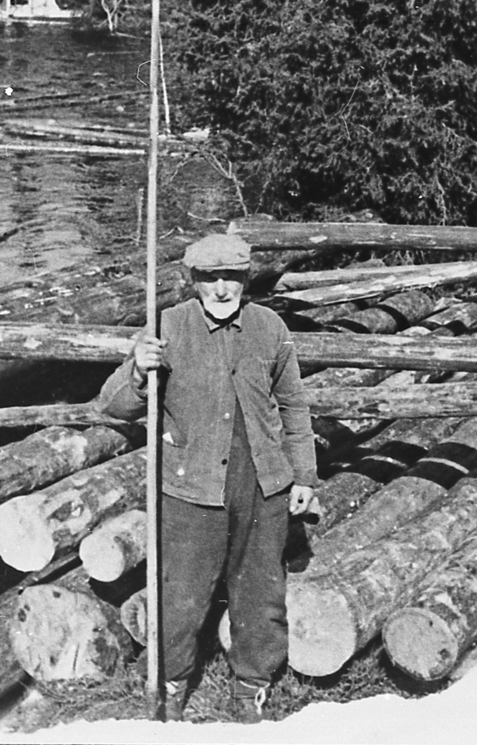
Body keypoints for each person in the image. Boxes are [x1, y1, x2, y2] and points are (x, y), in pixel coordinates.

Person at [97, 232, 321, 723]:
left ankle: (252, 685)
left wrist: (303, 474)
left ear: (246, 278)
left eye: (232, 278)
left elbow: (294, 405)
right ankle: (171, 682)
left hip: (263, 483)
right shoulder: (166, 328)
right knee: (181, 594)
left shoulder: (270, 327)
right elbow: (112, 406)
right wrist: (139, 370)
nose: (221, 289)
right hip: (190, 484)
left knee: (260, 590)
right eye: (209, 279)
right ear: (192, 281)